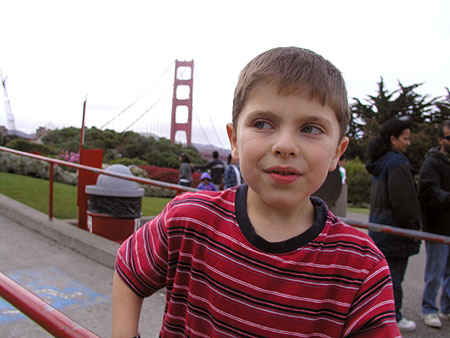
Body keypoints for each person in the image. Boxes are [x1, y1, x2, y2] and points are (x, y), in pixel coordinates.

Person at [112, 47, 400, 337]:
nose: (285, 145)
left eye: (310, 128)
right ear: (234, 141)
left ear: (337, 152)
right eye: (263, 124)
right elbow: (129, 269)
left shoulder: (361, 267)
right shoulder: (188, 220)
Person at [365, 118, 421, 332]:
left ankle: (379, 315)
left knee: (382, 277)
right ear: (393, 139)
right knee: (394, 277)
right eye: (405, 139)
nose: (409, 143)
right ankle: (393, 316)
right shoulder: (397, 163)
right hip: (395, 232)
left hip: (379, 229)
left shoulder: (381, 163)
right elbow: (404, 202)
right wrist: (413, 229)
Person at [419, 120, 450, 328]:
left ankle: (447, 308)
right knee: (435, 272)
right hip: (438, 227)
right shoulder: (432, 162)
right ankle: (428, 309)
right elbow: (429, 191)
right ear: (441, 140)